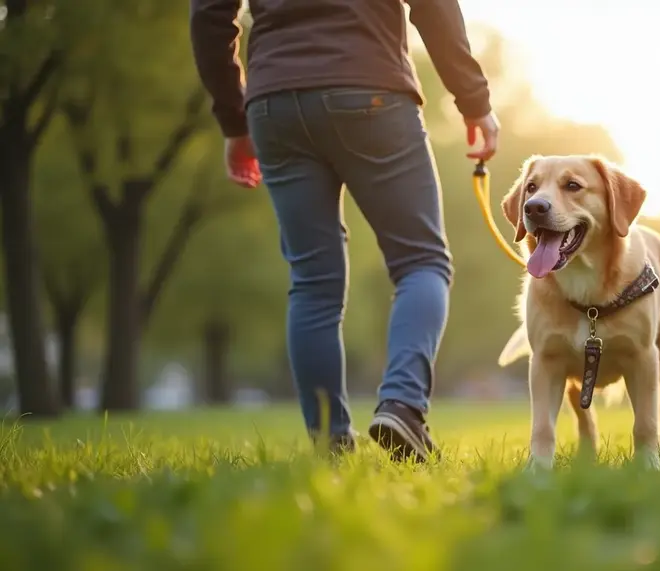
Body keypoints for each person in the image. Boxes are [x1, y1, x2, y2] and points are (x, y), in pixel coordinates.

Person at [189, 0, 500, 462]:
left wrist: (235, 121)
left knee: (313, 282)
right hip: (371, 87)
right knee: (422, 262)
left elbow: (210, 15)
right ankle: (403, 405)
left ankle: (330, 443)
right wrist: (473, 101)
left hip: (276, 101)